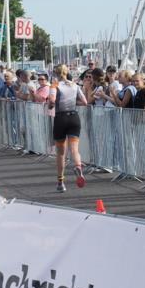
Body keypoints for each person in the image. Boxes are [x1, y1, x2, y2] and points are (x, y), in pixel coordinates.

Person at [48, 64, 87, 192]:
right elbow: (85, 102)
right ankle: (78, 166)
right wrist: (72, 103)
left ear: (56, 74)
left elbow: (52, 100)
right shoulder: (74, 85)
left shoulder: (55, 85)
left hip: (61, 118)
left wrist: (50, 106)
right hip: (74, 117)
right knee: (74, 149)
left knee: (61, 153)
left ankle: (60, 182)